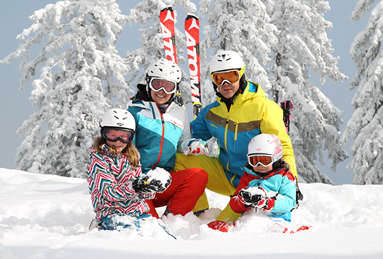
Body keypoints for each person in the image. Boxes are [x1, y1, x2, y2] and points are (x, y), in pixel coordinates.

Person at [173, 50, 297, 223]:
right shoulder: (211, 112)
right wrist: (189, 140)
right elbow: (186, 135)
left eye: (231, 76)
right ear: (213, 80)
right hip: (225, 175)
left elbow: (283, 145)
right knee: (180, 158)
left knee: (225, 225)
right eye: (219, 78)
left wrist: (292, 181)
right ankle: (199, 213)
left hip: (256, 180)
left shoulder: (264, 108)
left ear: (242, 75)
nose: (225, 83)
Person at [127, 58, 208, 218]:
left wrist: (190, 145)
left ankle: (172, 220)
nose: (162, 90)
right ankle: (154, 222)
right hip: (139, 185)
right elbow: (126, 150)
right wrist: (137, 179)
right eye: (157, 84)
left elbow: (182, 142)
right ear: (149, 83)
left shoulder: (179, 113)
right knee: (150, 226)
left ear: (175, 89)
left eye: (168, 86)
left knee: (198, 175)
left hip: (163, 182)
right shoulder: (134, 112)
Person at [86, 108, 172, 231]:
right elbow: (109, 193)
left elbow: (142, 194)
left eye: (124, 137)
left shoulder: (131, 157)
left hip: (140, 215)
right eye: (112, 135)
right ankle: (99, 227)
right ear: (103, 134)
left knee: (165, 238)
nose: (118, 141)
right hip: (112, 216)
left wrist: (150, 186)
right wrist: (136, 186)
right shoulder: (98, 159)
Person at [207, 134, 296, 232]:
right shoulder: (248, 177)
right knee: (221, 229)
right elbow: (234, 204)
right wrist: (242, 200)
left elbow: (289, 202)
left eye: (265, 161)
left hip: (276, 220)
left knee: (275, 232)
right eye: (254, 161)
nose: (259, 165)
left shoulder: (284, 177)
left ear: (276, 158)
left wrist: (266, 203)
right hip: (249, 219)